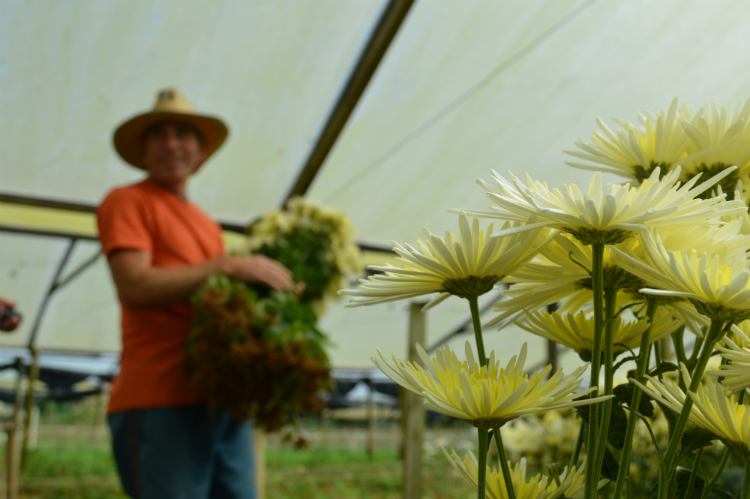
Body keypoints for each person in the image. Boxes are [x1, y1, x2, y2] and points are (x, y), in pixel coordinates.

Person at [97, 89, 294, 499]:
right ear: (143, 149)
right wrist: (227, 266)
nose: (172, 144)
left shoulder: (207, 225)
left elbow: (214, 304)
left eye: (183, 134)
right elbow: (135, 286)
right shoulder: (128, 201)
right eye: (159, 135)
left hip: (221, 397)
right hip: (159, 399)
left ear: (201, 150)